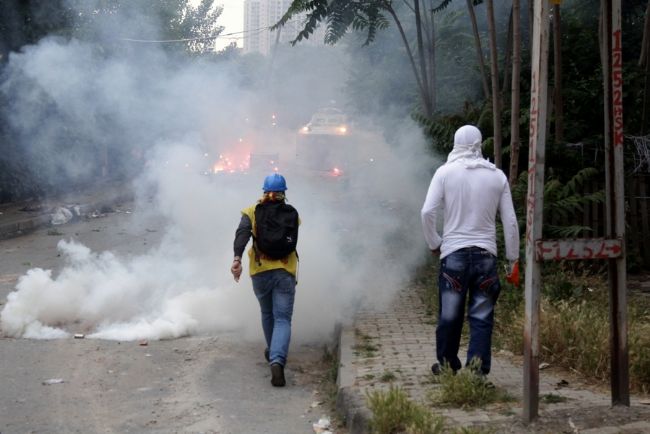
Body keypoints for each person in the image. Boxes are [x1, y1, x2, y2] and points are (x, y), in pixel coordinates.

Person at [420, 125, 519, 377]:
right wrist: (513, 259)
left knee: (450, 315)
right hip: (486, 256)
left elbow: (427, 212)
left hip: (454, 255)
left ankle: (446, 364)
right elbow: (509, 221)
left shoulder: (444, 173)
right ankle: (477, 372)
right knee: (482, 316)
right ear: (479, 143)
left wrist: (435, 243)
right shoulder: (497, 176)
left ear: (455, 142)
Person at [231, 173, 299, 387]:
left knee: (267, 313)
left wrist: (237, 259)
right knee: (283, 318)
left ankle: (273, 353)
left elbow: (242, 234)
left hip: (259, 272)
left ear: (263, 191)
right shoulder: (292, 214)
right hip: (285, 273)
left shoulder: (251, 211)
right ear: (284, 193)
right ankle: (277, 360)